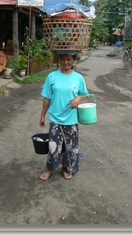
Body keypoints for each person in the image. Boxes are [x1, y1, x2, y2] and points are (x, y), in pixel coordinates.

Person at [39, 50, 89, 181]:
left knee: (70, 146)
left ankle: (65, 168)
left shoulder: (78, 78)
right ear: (59, 60)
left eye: (69, 59)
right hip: (55, 118)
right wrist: (43, 115)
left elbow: (85, 94)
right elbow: (46, 97)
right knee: (53, 145)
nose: (66, 62)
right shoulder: (52, 76)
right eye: (63, 59)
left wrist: (79, 99)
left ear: (73, 61)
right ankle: (50, 169)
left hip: (71, 119)